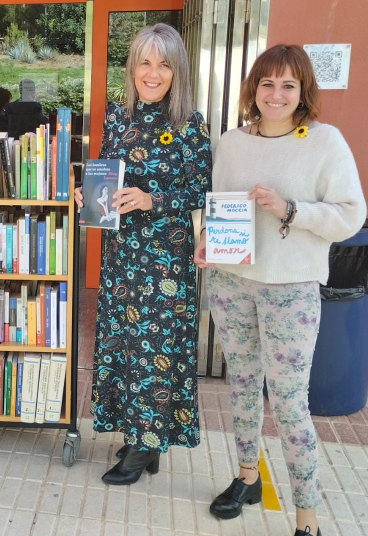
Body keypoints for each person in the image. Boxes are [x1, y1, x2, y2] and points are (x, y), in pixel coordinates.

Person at [195, 45, 366, 536]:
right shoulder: (231, 142)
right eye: (267, 84)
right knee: (243, 387)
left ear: (303, 92)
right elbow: (222, 205)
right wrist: (209, 239)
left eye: (288, 85)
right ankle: (247, 477)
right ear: (254, 89)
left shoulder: (324, 142)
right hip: (231, 283)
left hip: (290, 289)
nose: (276, 94)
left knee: (289, 402)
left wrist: (291, 210)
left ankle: (306, 518)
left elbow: (350, 214)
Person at [74, 23, 211, 485]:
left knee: (156, 352)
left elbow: (203, 190)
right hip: (121, 258)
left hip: (164, 261)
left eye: (164, 64)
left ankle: (148, 445)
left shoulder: (190, 124)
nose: (153, 73)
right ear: (132, 68)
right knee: (126, 347)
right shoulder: (117, 117)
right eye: (145, 63)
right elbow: (105, 174)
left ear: (178, 71)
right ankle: (139, 437)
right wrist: (88, 194)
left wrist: (155, 200)